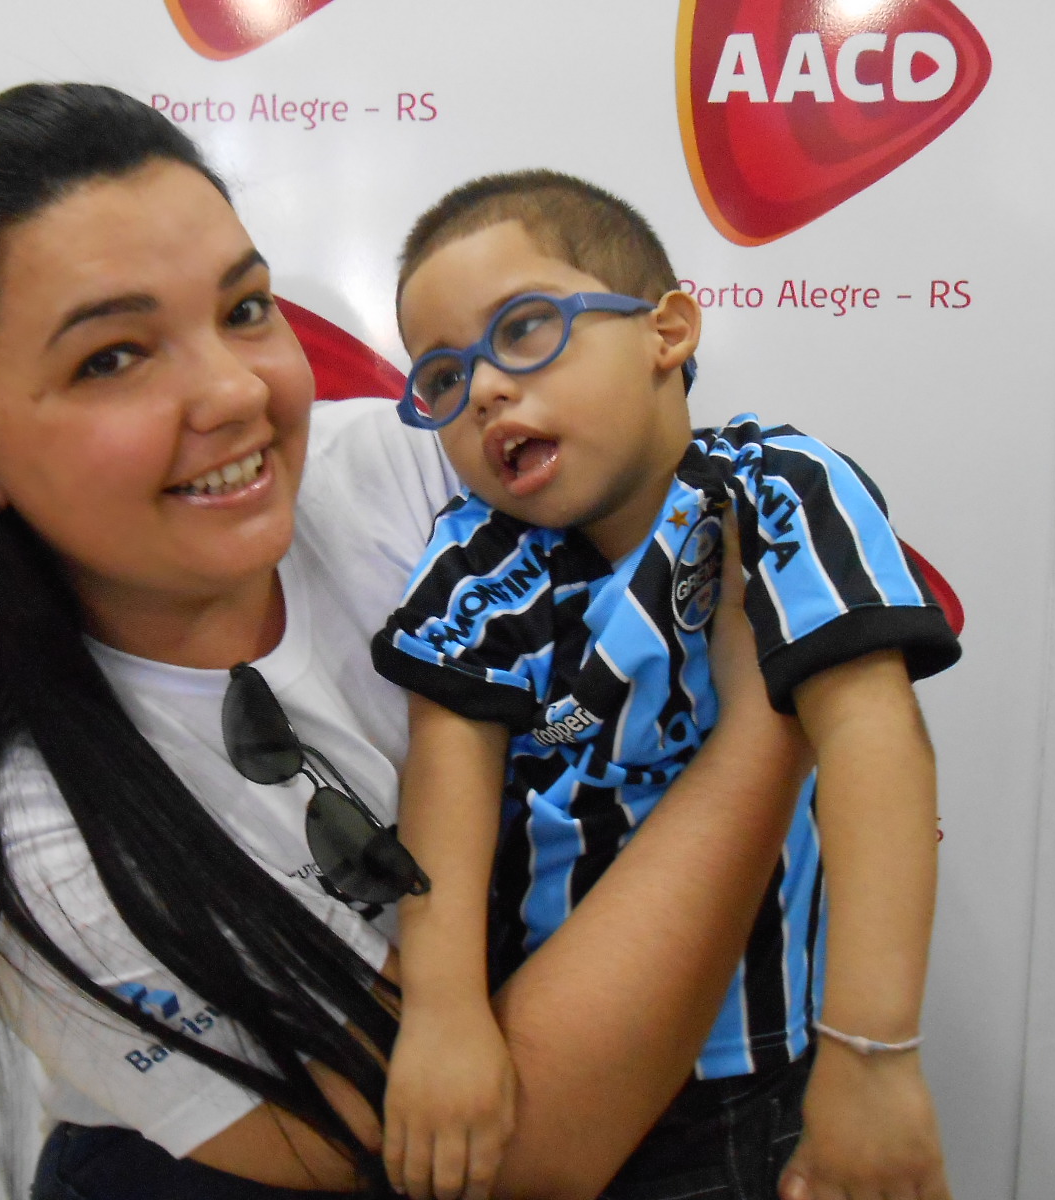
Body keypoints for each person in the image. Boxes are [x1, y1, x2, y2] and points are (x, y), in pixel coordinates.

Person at [0, 84, 812, 1200]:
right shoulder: (35, 848)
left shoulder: (419, 476)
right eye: (113, 358)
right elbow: (514, 1157)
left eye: (246, 308)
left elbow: (715, 583)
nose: (229, 391)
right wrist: (771, 726)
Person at [371, 169, 962, 1200]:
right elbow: (444, 783)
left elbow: (874, 735)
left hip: (748, 1077)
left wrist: (872, 1052)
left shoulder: (774, 487)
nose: (489, 392)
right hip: (548, 1053)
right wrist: (444, 1014)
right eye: (443, 380)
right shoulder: (471, 561)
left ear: (669, 331)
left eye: (523, 331)